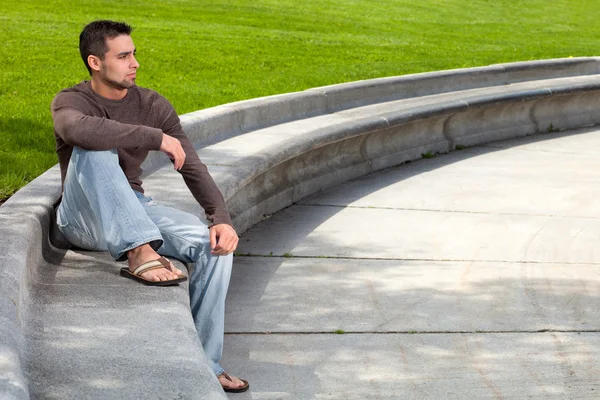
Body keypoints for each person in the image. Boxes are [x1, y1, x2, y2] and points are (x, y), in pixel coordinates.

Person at [51, 20, 249, 393]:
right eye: (123, 56)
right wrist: (153, 137)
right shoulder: (71, 101)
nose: (134, 63)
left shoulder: (152, 104)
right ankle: (139, 251)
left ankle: (207, 364)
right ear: (95, 62)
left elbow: (191, 164)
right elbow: (79, 132)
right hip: (82, 217)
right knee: (95, 149)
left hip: (135, 207)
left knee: (216, 246)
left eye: (134, 54)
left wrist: (220, 218)